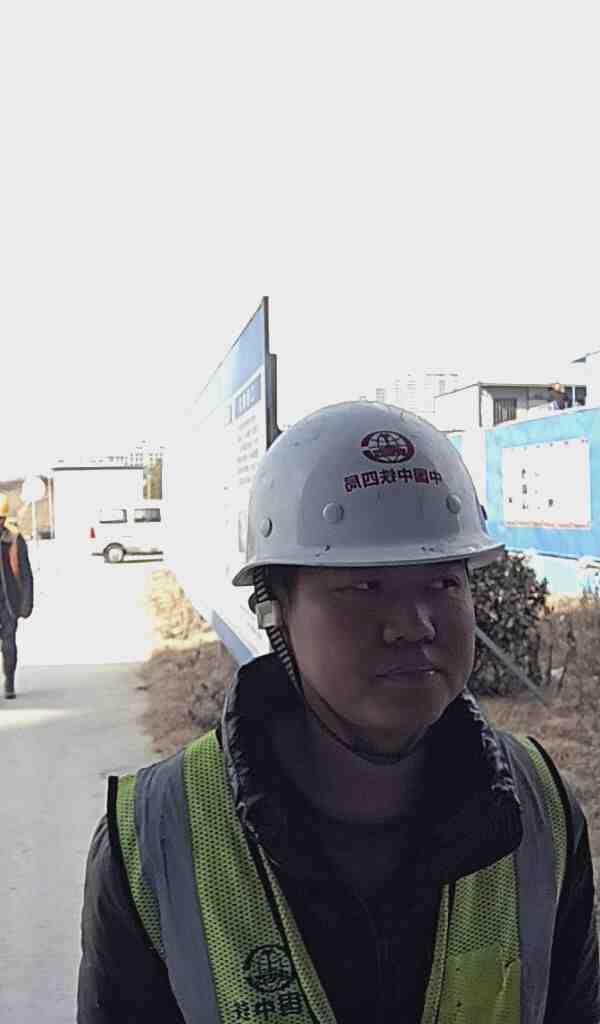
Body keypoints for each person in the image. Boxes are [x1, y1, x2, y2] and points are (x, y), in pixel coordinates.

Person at [77, 402, 599, 1023]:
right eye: (364, 586)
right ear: (276, 611)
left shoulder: (540, 810)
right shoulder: (158, 841)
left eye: (443, 582)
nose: (414, 625)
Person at [0, 492, 34, 698]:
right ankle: (9, 683)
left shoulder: (14, 540)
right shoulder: (13, 538)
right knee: (9, 643)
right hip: (10, 601)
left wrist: (26, 603)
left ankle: (9, 682)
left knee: (9, 644)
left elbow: (26, 573)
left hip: (9, 603)